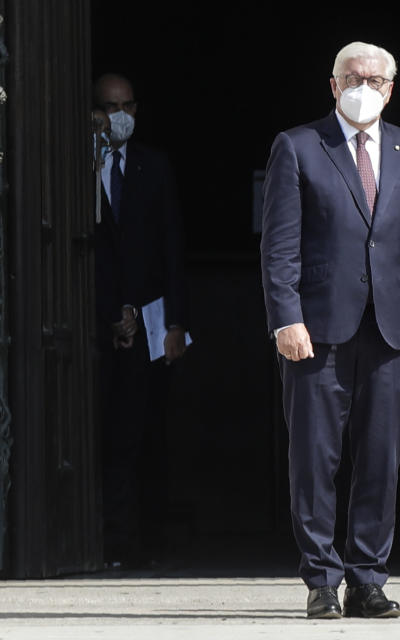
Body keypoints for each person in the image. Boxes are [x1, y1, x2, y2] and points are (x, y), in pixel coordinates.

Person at [260, 41, 400, 620]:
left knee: (379, 458)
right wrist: (285, 316)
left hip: (392, 327)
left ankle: (368, 577)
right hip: (317, 328)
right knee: (315, 457)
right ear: (333, 84)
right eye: (352, 76)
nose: (362, 85)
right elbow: (279, 245)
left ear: (391, 88)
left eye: (374, 78)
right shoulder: (297, 146)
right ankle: (321, 577)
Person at [93, 73, 189, 567]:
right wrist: (108, 311)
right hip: (90, 324)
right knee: (92, 432)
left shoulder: (154, 167)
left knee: (140, 433)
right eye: (110, 107)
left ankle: (132, 543)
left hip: (148, 321)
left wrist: (176, 323)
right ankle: (94, 540)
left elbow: (171, 246)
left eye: (128, 104)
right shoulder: (77, 163)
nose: (120, 115)